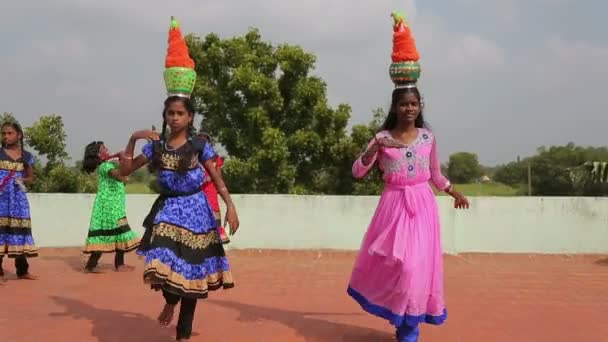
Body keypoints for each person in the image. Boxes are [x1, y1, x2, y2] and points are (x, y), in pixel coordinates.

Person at [346, 12, 470, 342]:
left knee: (417, 268)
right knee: (398, 268)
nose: (409, 109)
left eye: (414, 104)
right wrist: (374, 150)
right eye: (404, 104)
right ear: (395, 107)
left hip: (423, 207)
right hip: (393, 207)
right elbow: (357, 172)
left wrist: (454, 192)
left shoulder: (428, 138)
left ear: (420, 106)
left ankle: (409, 328)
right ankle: (401, 319)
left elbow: (435, 175)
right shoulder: (382, 137)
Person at [120, 17, 240, 341]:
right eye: (170, 113)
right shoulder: (156, 146)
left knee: (192, 275)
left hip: (197, 212)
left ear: (190, 116)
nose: (174, 118)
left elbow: (216, 177)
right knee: (159, 266)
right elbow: (125, 172)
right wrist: (132, 140)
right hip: (169, 210)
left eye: (180, 114)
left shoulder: (200, 145)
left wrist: (230, 207)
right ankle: (169, 301)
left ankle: (183, 333)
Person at [81, 141, 140, 273]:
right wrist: (123, 161)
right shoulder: (105, 166)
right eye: (103, 148)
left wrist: (121, 160)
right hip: (109, 207)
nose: (107, 149)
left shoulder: (106, 165)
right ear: (98, 154)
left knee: (115, 234)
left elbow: (122, 175)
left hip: (113, 206)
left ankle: (102, 265)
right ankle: (95, 266)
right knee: (116, 232)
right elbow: (119, 176)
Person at [0, 121, 37, 283]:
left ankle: (22, 271)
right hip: (1, 200)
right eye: (4, 133)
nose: (6, 136)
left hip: (18, 200)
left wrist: (22, 179)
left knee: (19, 233)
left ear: (19, 135)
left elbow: (31, 177)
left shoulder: (26, 156)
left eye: (10, 133)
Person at [199, 132, 230, 244]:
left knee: (214, 210)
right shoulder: (192, 157)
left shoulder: (215, 158)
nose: (203, 143)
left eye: (205, 141)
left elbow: (219, 176)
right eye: (200, 140)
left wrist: (212, 179)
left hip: (210, 189)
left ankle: (219, 233)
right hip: (196, 190)